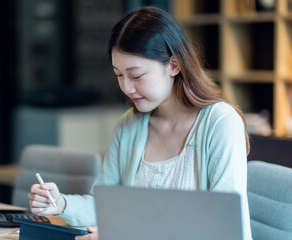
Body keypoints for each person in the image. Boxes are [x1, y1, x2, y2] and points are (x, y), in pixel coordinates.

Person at [28, 6, 252, 240]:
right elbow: (105, 206)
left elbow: (224, 227)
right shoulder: (129, 126)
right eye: (119, 75)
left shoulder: (221, 123)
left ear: (173, 65)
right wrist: (61, 203)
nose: (126, 87)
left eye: (136, 76)